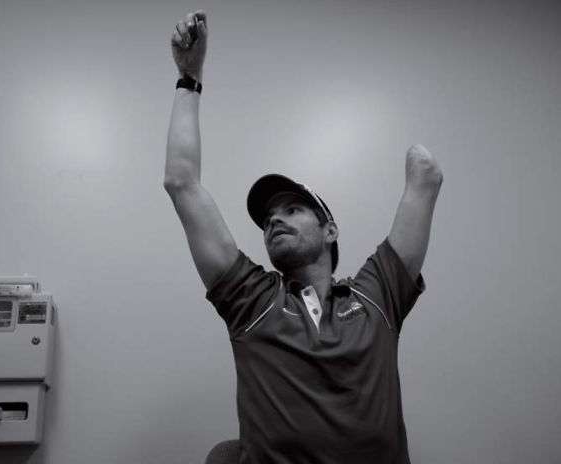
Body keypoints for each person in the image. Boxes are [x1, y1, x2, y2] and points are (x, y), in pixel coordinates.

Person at [164, 10, 443, 464]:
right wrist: (188, 79)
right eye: (268, 219)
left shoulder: (378, 294)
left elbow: (425, 171)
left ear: (330, 230)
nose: (274, 220)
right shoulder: (251, 299)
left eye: (292, 210)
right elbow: (181, 183)